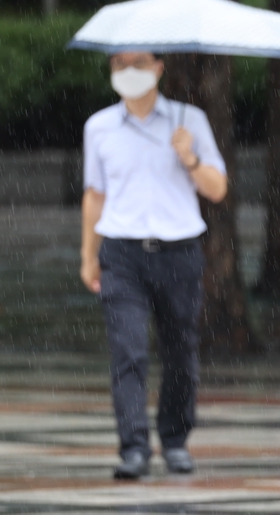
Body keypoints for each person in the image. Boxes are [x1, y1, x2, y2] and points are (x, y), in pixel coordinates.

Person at [80, 51, 227, 479]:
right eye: (119, 64)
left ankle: (176, 440)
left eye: (139, 63)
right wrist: (88, 255)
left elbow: (217, 188)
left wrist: (190, 158)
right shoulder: (99, 127)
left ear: (159, 69)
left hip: (178, 251)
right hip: (122, 254)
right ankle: (134, 447)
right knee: (128, 350)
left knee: (180, 350)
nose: (129, 73)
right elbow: (95, 194)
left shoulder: (189, 120)